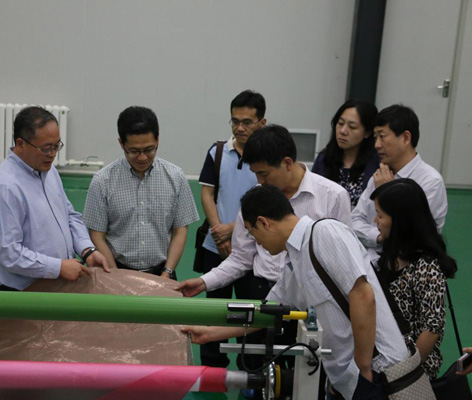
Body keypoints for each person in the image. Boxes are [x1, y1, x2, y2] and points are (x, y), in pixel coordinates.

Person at [182, 185, 409, 400]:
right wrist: (210, 333)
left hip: (380, 372)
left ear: (263, 223)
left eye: (252, 234)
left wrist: (363, 366)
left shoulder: (325, 233)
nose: (256, 242)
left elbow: (363, 296)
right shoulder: (294, 261)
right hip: (349, 379)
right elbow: (266, 312)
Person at [175, 125, 351, 376]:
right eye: (255, 174)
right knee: (257, 374)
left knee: (307, 375)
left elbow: (341, 265)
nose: (259, 181)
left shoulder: (333, 196)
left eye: (264, 173)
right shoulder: (255, 198)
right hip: (262, 293)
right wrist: (204, 282)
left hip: (310, 305)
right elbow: (240, 258)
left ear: (287, 163)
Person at [0, 106, 110, 291]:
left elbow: (69, 216)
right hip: (22, 295)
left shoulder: (48, 172)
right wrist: (58, 267)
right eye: (46, 148)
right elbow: (7, 253)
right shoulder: (4, 187)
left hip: (56, 287)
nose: (53, 154)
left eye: (56, 146)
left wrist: (87, 250)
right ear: (20, 144)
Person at [84, 106, 199, 280]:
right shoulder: (102, 181)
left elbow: (180, 232)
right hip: (116, 271)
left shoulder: (176, 177)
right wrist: (116, 276)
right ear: (121, 143)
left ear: (158, 140)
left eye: (149, 149)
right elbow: (97, 236)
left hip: (162, 272)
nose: (142, 157)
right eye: (134, 151)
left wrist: (166, 274)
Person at [196, 90, 263, 368]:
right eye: (235, 121)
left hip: (254, 251)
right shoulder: (218, 152)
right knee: (214, 312)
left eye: (247, 122)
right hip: (216, 247)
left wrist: (233, 230)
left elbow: (271, 202)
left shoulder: (268, 157)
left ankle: (251, 370)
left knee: (251, 313)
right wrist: (218, 231)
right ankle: (212, 370)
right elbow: (207, 194)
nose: (240, 127)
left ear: (262, 122)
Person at [371, 179, 457, 380]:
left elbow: (432, 327)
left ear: (400, 221)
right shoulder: (389, 255)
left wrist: (405, 374)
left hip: (409, 374)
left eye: (380, 215)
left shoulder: (427, 266)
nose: (375, 221)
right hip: (383, 364)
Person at [351, 104, 448, 264]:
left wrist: (386, 193)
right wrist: (379, 237)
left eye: (382, 136)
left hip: (407, 268)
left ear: (405, 138)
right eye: (375, 137)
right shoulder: (379, 175)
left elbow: (411, 235)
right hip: (369, 263)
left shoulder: (430, 181)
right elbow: (354, 221)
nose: (377, 145)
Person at [312, 99, 380, 208]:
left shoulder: (377, 164)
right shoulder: (324, 159)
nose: (343, 131)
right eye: (340, 123)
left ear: (367, 132)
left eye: (352, 127)